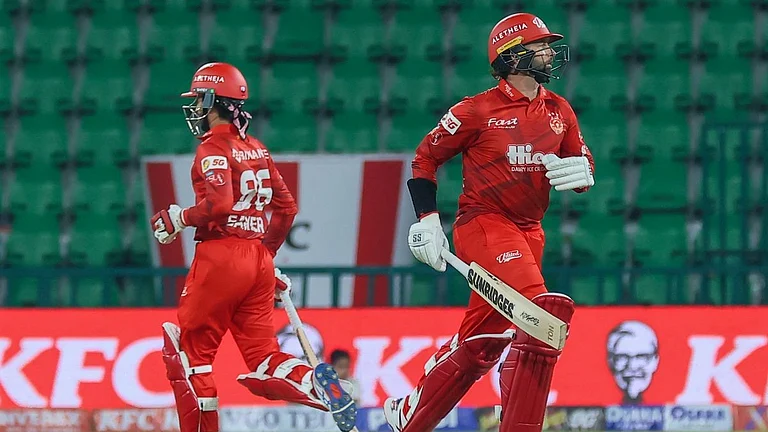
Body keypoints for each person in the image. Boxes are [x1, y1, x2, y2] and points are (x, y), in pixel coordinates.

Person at [383, 13, 595, 432]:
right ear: (513, 57)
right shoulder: (477, 109)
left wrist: (584, 172)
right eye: (540, 46)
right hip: (484, 224)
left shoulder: (560, 110)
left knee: (484, 343)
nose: (550, 53)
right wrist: (427, 219)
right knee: (541, 316)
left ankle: (409, 412)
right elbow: (425, 159)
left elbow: (580, 160)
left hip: (531, 232)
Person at [150, 62, 357, 432]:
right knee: (264, 358)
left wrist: (179, 218)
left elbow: (220, 205)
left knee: (187, 358)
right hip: (257, 261)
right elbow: (287, 208)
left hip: (220, 258)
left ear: (214, 99)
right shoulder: (257, 148)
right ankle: (315, 382)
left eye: (199, 98)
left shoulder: (212, 148)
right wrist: (266, 257)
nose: (196, 107)